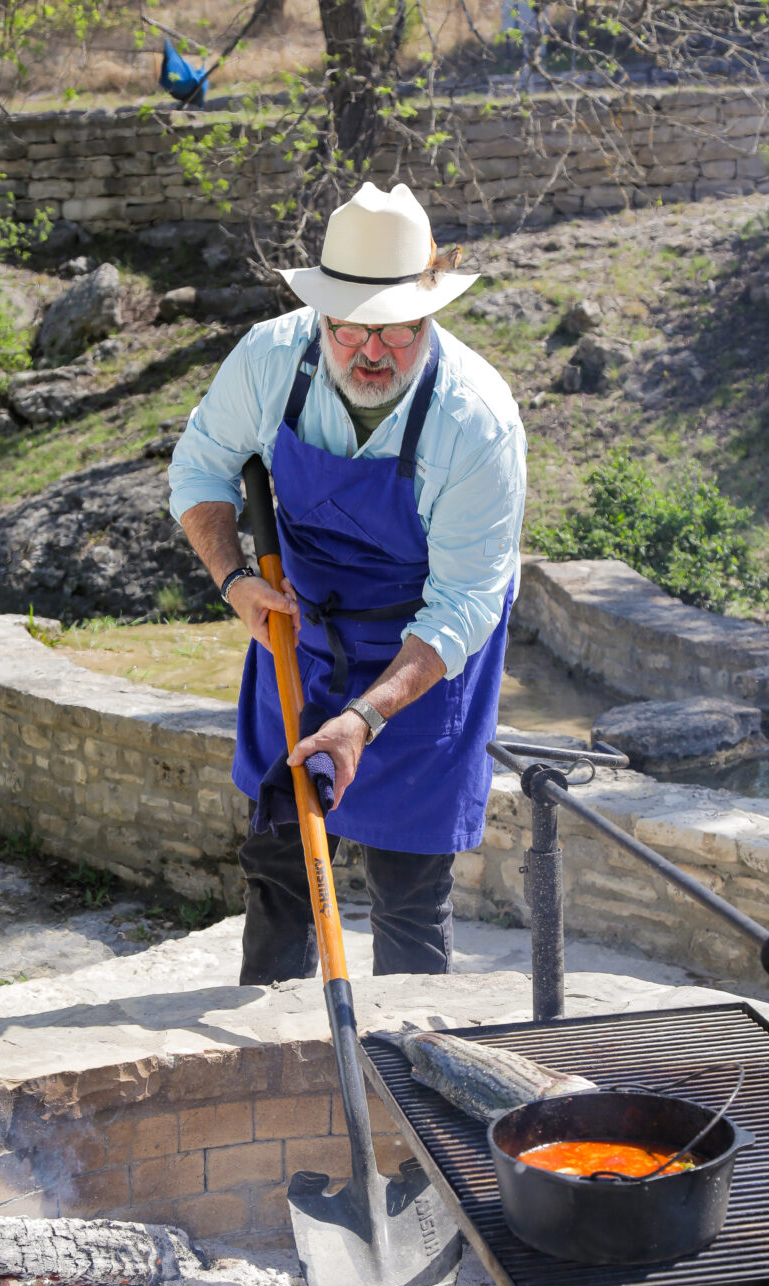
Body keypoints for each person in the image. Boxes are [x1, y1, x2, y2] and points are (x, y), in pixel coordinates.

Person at [169, 181, 526, 984]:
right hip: (298, 634)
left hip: (424, 657)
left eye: (397, 333)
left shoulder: (476, 422)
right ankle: (271, 1058)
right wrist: (233, 581)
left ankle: (412, 1071)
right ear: (322, 316)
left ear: (429, 318)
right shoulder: (269, 358)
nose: (372, 353)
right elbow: (200, 467)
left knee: (408, 888)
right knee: (282, 868)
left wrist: (364, 718)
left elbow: (464, 603)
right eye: (350, 330)